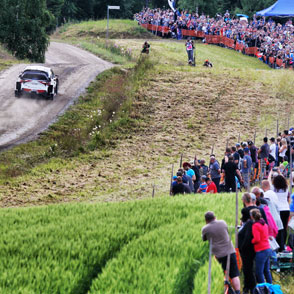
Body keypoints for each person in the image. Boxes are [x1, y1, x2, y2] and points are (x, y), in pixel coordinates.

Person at [202, 211, 241, 294]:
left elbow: (204, 239)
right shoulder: (223, 222)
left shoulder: (205, 228)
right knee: (234, 274)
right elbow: (226, 231)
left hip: (219, 255)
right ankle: (237, 292)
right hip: (230, 251)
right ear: (214, 217)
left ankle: (228, 290)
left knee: (222, 274)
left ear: (206, 220)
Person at [238, 197, 256, 294]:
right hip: (251, 249)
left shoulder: (249, 224)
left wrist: (242, 248)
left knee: (247, 268)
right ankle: (248, 287)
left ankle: (251, 288)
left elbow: (247, 239)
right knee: (249, 268)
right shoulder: (258, 224)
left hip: (246, 249)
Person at [250, 209, 272, 284]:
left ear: (252, 217)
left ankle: (262, 289)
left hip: (261, 250)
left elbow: (257, 239)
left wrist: (251, 241)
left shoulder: (255, 225)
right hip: (268, 248)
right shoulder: (264, 224)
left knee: (259, 272)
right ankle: (270, 287)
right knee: (266, 271)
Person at [272, 174, 290, 251]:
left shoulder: (273, 188)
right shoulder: (286, 187)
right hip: (286, 208)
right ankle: (284, 244)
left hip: (278, 209)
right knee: (284, 227)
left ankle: (278, 243)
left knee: (278, 228)